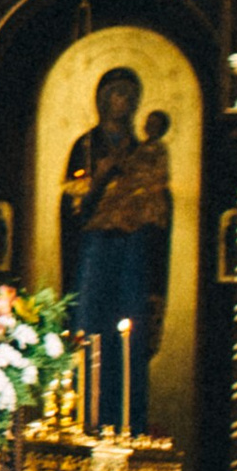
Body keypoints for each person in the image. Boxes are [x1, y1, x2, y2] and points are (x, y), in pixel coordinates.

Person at [60, 66, 172, 427]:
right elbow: (74, 205)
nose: (121, 101)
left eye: (128, 94)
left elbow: (157, 200)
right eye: (115, 94)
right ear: (103, 99)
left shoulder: (145, 151)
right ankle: (80, 417)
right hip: (95, 244)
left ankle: (126, 421)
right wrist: (104, 175)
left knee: (129, 328)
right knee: (89, 325)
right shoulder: (87, 145)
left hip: (133, 246)